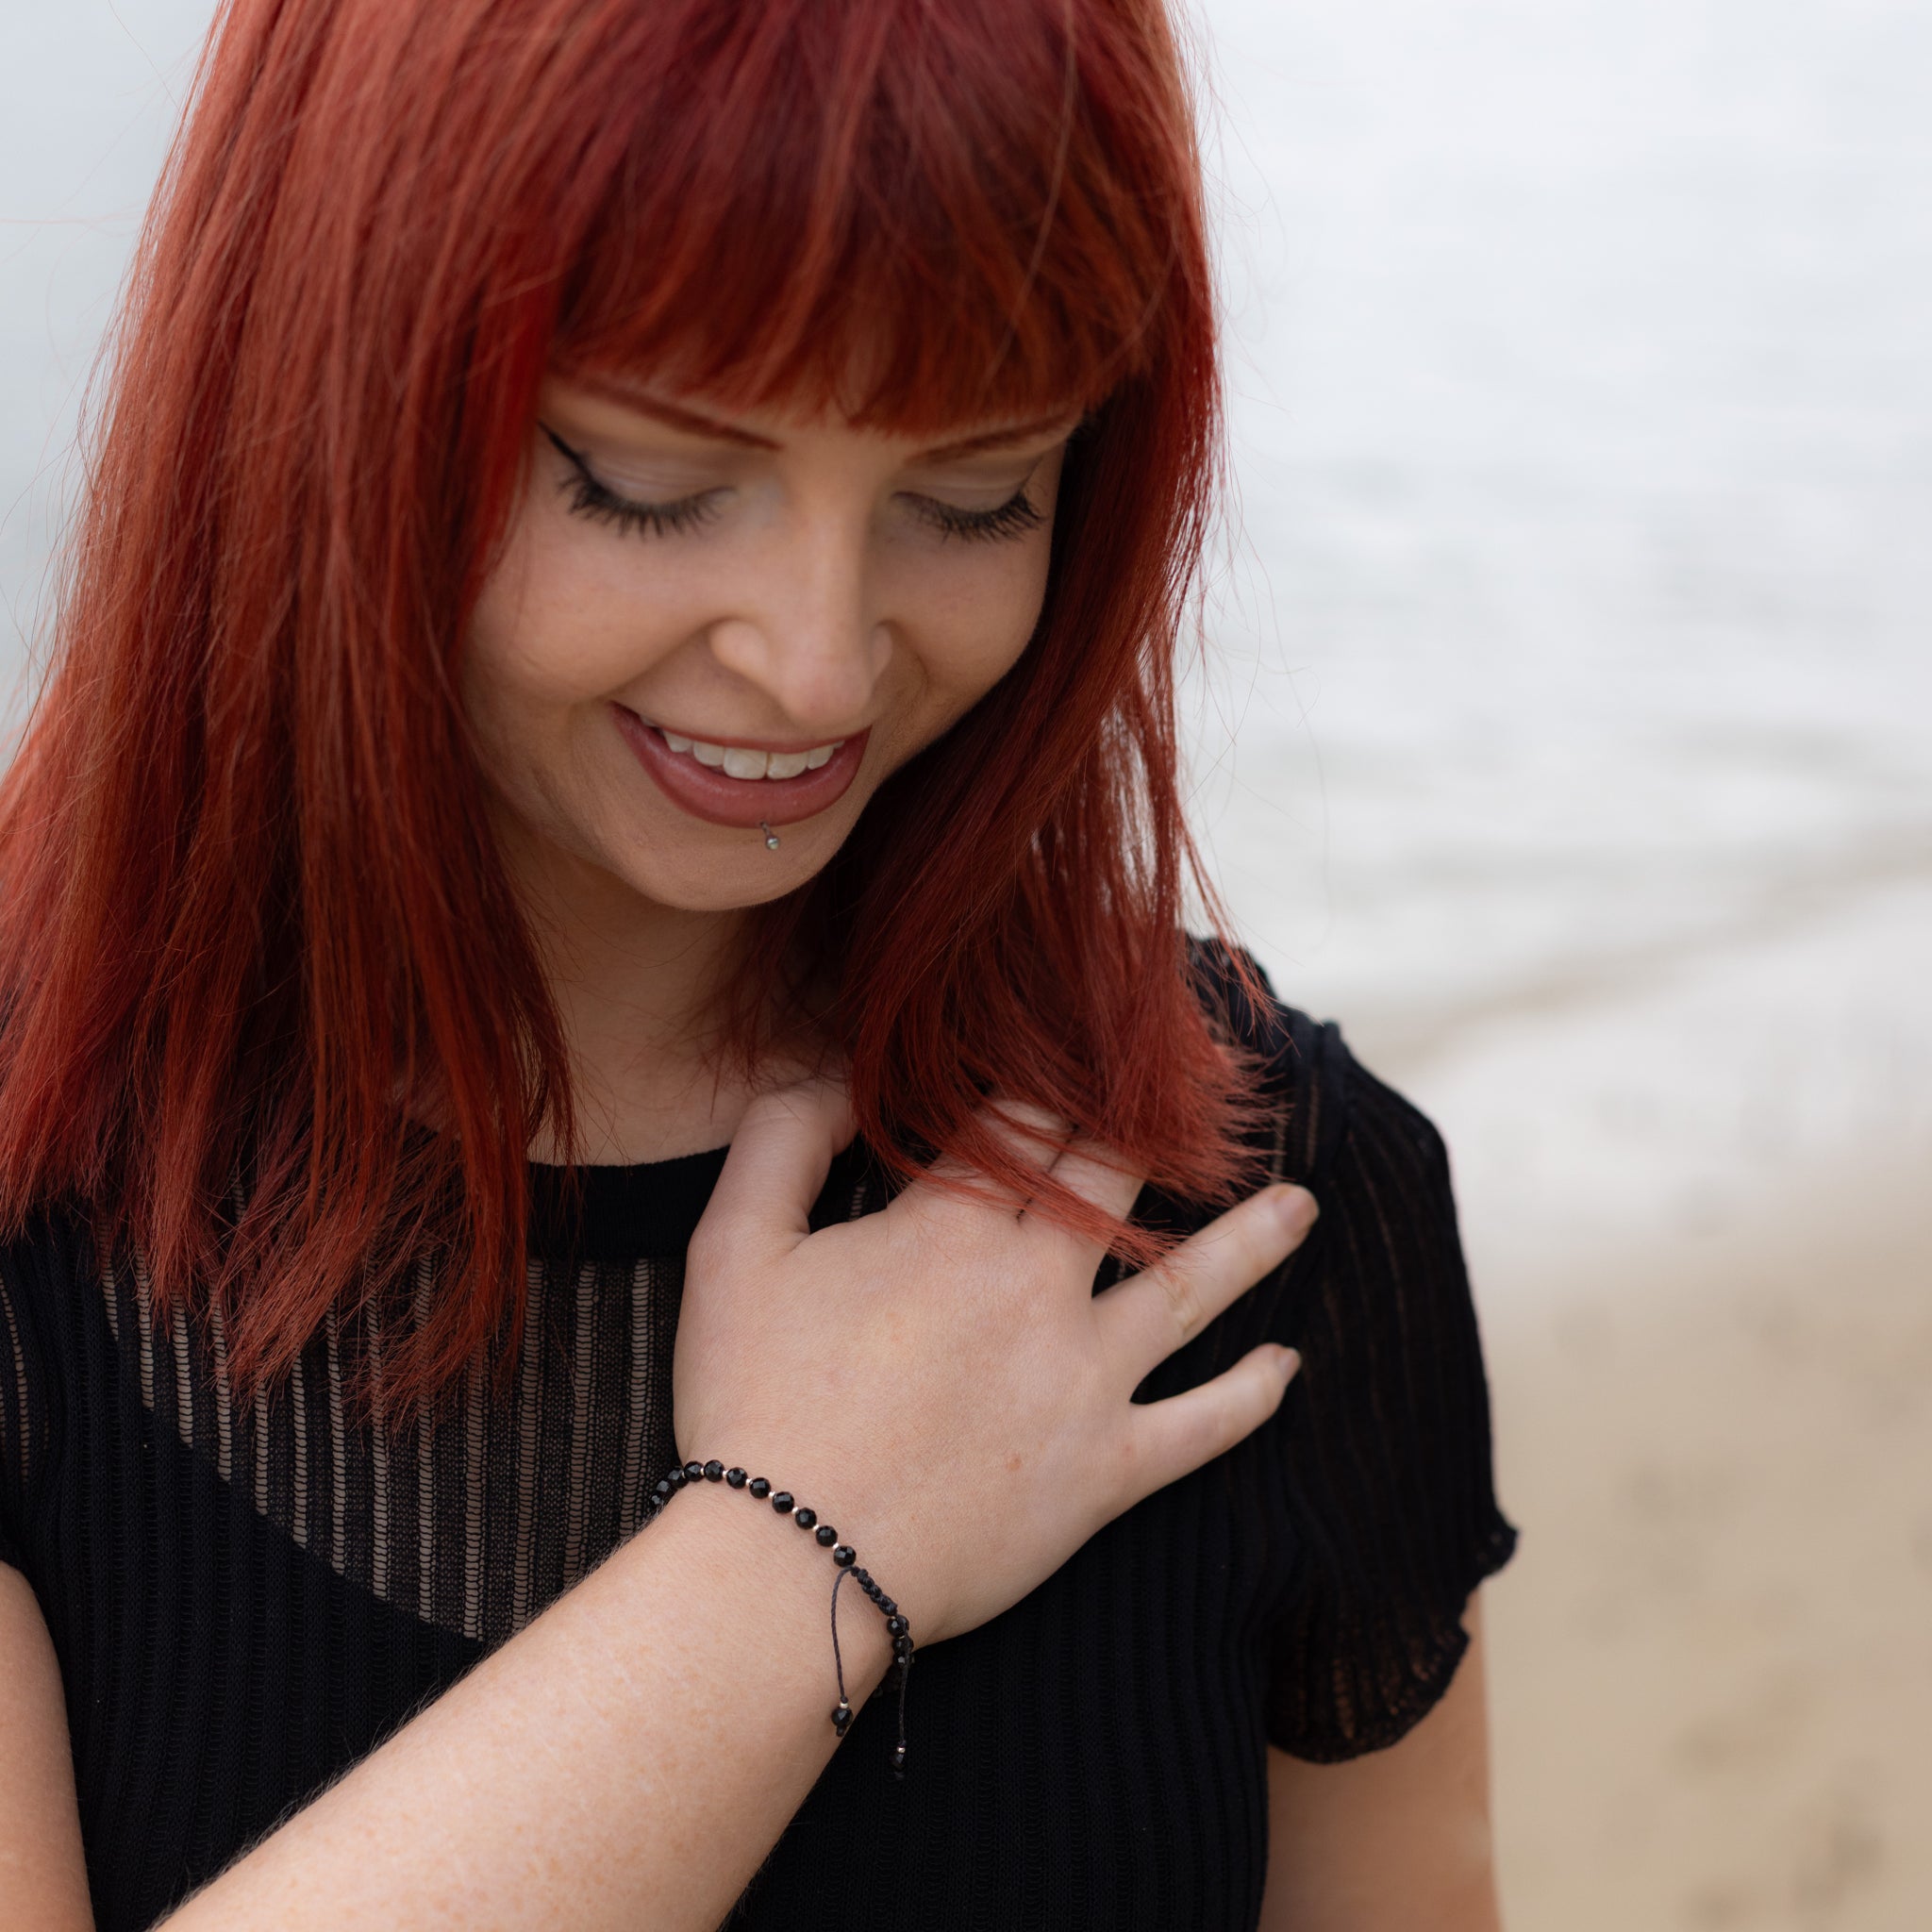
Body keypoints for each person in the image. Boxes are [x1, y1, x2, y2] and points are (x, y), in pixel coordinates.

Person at [0, 1, 1519, 1926]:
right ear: (325, 384)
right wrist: (805, 1542)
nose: (817, 663)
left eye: (975, 495)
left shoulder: (1260, 1201)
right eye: (645, 478)